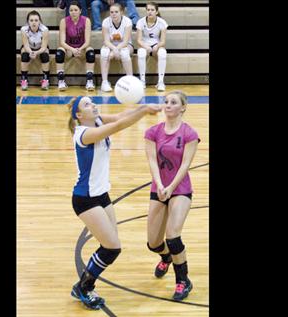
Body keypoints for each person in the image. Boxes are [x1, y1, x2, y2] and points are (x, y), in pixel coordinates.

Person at [68, 96, 161, 309]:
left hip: (102, 195)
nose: (92, 105)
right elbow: (119, 125)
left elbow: (120, 116)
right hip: (85, 199)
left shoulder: (98, 120)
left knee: (110, 247)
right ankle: (84, 287)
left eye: (91, 102)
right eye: (87, 105)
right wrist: (145, 109)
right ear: (79, 116)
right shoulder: (84, 133)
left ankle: (83, 284)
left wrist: (141, 108)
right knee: (112, 248)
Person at [144, 91, 200, 301]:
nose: (168, 105)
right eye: (166, 101)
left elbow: (185, 165)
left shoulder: (189, 133)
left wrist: (170, 187)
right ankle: (165, 256)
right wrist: (159, 185)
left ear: (183, 108)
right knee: (153, 243)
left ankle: (183, 281)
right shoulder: (152, 132)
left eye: (173, 102)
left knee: (173, 236)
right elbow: (151, 161)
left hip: (180, 189)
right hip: (158, 188)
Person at [56, 1, 96, 91]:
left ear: (80, 11)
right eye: (71, 10)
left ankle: (89, 81)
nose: (73, 12)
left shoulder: (86, 20)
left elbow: (87, 41)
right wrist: (72, 49)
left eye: (75, 10)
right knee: (59, 52)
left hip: (82, 48)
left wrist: (79, 49)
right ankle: (61, 81)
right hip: (69, 48)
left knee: (90, 52)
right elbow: (62, 42)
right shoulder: (63, 21)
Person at [99, 3, 133, 92]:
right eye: (111, 12)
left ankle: (130, 81)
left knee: (125, 53)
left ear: (121, 12)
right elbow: (106, 41)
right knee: (104, 53)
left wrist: (115, 51)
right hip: (110, 45)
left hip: (125, 45)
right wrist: (114, 49)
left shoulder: (127, 21)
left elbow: (125, 42)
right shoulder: (106, 22)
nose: (113, 14)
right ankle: (104, 82)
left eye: (116, 12)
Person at [136, 2, 168, 91]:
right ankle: (142, 81)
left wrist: (157, 46)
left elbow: (163, 41)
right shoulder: (140, 22)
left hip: (156, 44)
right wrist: (146, 47)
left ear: (156, 12)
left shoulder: (162, 23)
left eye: (152, 10)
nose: (150, 12)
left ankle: (161, 82)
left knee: (162, 53)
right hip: (145, 44)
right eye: (148, 10)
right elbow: (139, 40)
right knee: (141, 53)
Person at [20, 10, 51, 90]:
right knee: (24, 55)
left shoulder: (45, 30)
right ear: (28, 22)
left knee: (45, 55)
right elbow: (25, 45)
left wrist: (36, 52)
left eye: (36, 20)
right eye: (31, 20)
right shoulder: (24, 29)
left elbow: (44, 47)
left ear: (39, 21)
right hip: (28, 48)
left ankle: (45, 79)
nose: (34, 22)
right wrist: (30, 52)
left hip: (40, 48)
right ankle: (24, 79)